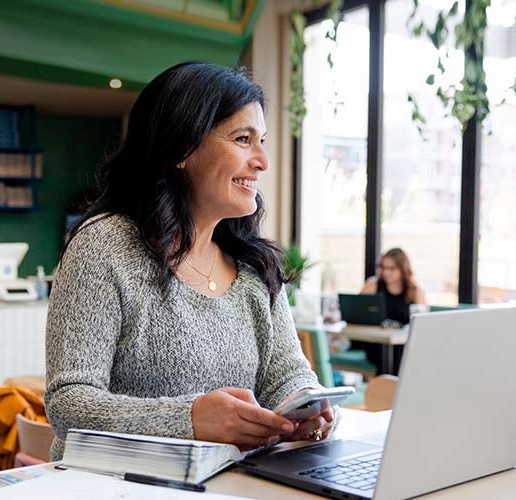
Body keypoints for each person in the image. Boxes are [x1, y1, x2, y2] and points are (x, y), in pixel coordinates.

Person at [44, 62, 332, 461]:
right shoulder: (104, 245)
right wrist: (189, 419)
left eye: (262, 140)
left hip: (227, 484)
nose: (262, 160)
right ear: (183, 149)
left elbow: (287, 372)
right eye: (243, 139)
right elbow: (68, 404)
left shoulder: (254, 266)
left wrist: (304, 405)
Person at [357, 248, 427, 373]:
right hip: (376, 343)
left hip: (404, 345)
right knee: (391, 355)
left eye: (392, 268)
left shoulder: (415, 291)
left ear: (403, 269)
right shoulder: (373, 285)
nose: (386, 272)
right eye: (383, 268)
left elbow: (423, 323)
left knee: (399, 353)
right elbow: (357, 313)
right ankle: (389, 389)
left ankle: (387, 389)